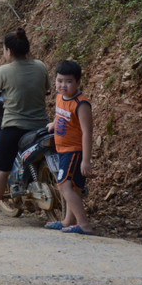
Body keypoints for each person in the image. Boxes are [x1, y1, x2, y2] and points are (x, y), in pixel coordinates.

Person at [0, 27, 50, 226]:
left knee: (1, 169)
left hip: (14, 127)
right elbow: (46, 89)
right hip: (41, 127)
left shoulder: (4, 71)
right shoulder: (40, 66)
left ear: (8, 50)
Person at [45, 60, 94, 235]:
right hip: (62, 149)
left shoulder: (81, 104)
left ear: (78, 82)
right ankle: (68, 221)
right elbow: (60, 114)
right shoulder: (60, 97)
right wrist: (54, 123)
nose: (63, 85)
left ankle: (84, 224)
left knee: (64, 185)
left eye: (68, 81)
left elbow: (87, 133)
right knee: (73, 187)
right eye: (59, 81)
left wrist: (86, 160)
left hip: (74, 151)